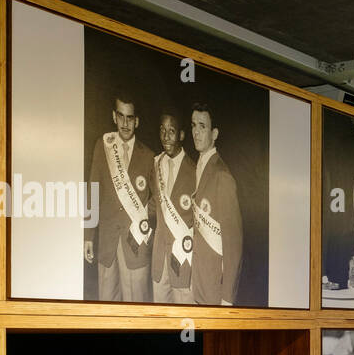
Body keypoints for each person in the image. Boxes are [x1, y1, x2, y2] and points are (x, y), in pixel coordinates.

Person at [87, 94, 156, 302]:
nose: (125, 123)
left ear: (137, 121)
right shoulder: (103, 145)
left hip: (135, 244)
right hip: (107, 243)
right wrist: (88, 236)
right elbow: (93, 190)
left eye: (130, 118)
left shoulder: (150, 156)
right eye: (121, 116)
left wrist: (143, 218)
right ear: (114, 117)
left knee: (137, 313)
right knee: (106, 311)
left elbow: (158, 200)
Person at [188, 103, 243, 306]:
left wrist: (227, 297)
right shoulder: (198, 167)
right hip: (197, 279)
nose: (196, 132)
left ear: (215, 133)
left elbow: (234, 244)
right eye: (193, 125)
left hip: (214, 288)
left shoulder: (222, 176)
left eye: (202, 126)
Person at [148, 112, 196, 304]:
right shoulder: (156, 165)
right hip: (160, 259)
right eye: (162, 130)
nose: (166, 136)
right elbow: (155, 204)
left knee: (185, 317)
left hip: (183, 260)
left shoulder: (195, 171)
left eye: (172, 131)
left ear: (182, 135)